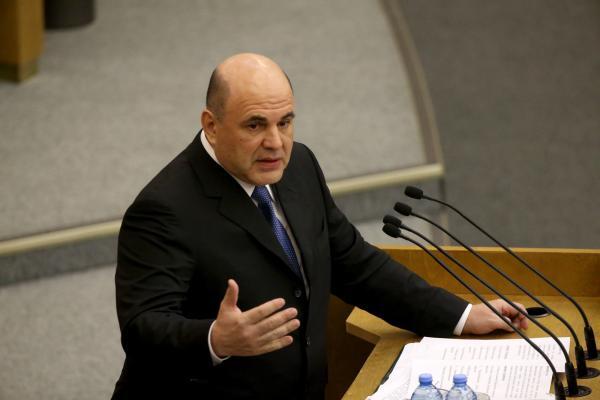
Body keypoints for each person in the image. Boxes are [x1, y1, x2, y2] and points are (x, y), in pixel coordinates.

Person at [112, 53, 527, 400]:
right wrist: (215, 340)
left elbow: (353, 264)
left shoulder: (299, 166)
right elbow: (143, 328)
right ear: (211, 125)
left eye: (285, 122)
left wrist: (461, 315)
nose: (275, 142)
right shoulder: (164, 208)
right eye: (255, 125)